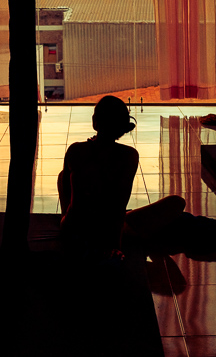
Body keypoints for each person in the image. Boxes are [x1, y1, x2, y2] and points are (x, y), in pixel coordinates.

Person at [58, 96, 185, 263]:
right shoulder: (128, 155)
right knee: (176, 204)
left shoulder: (76, 150)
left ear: (95, 122)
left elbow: (70, 196)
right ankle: (135, 232)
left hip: (76, 226)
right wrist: (114, 247)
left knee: (63, 176)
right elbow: (118, 206)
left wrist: (67, 225)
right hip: (100, 229)